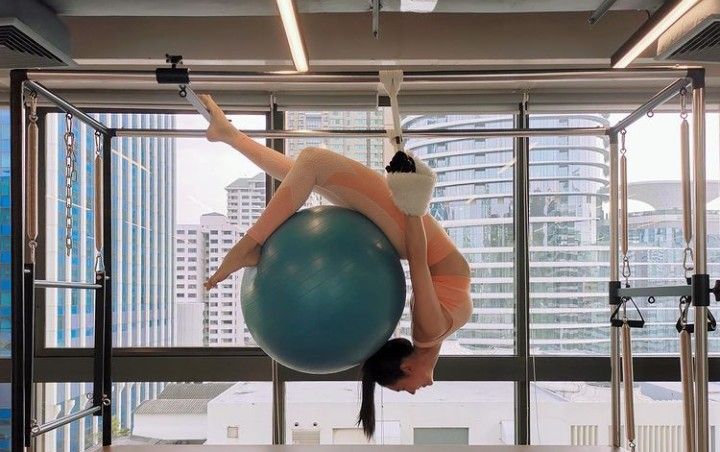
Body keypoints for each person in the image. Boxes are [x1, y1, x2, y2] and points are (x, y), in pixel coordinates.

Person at [199, 95, 471, 438]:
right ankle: (229, 138)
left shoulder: (429, 334)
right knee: (314, 171)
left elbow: (419, 260)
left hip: (407, 233)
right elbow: (420, 265)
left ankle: (246, 241)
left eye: (404, 388)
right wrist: (412, 201)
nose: (413, 391)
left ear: (406, 366)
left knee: (313, 166)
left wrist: (413, 205)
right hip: (406, 231)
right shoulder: (431, 336)